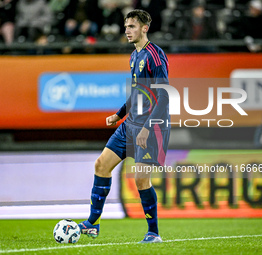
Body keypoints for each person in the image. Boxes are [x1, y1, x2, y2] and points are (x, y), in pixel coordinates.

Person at [78, 9, 170, 243]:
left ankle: (153, 233)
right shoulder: (134, 56)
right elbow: (139, 94)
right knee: (101, 165)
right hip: (130, 124)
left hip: (151, 126)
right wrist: (119, 115)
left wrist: (147, 128)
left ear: (144, 28)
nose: (127, 30)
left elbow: (163, 97)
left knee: (141, 180)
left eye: (131, 26)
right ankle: (92, 224)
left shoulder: (155, 56)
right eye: (126, 26)